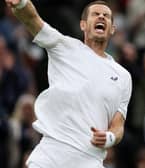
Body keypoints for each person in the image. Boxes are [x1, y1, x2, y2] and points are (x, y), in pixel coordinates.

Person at [4, 0, 132, 167]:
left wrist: (110, 137)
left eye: (106, 16)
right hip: (50, 154)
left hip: (89, 159)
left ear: (112, 29)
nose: (101, 16)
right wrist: (20, 3)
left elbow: (118, 125)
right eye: (95, 14)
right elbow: (32, 19)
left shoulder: (123, 76)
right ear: (83, 25)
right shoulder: (64, 46)